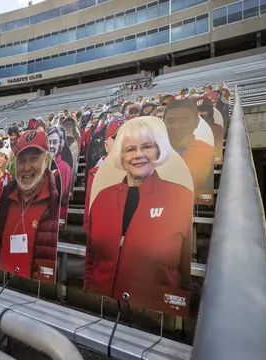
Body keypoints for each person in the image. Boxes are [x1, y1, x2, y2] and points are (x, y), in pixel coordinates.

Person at [85, 117, 192, 311]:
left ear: (158, 151)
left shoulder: (181, 197)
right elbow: (91, 257)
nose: (138, 155)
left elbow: (185, 269)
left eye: (147, 147)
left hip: (155, 316)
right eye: (130, 149)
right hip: (102, 307)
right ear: (121, 157)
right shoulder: (102, 198)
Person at [0, 130, 60, 281]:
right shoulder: (6, 197)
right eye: (22, 160)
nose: (27, 167)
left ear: (47, 160)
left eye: (34, 159)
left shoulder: (56, 201)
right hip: (1, 287)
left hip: (34, 294)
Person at [83, 118, 126, 232]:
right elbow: (90, 212)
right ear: (107, 145)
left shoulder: (144, 171)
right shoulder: (95, 173)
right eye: (117, 138)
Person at [163, 99, 214, 191]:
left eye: (184, 120)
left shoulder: (206, 151)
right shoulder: (152, 152)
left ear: (196, 122)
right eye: (170, 121)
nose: (177, 126)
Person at [47, 126, 72, 223]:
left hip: (58, 212)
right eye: (49, 142)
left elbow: (64, 196)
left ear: (60, 144)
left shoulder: (65, 167)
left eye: (55, 142)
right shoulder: (42, 163)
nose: (51, 146)